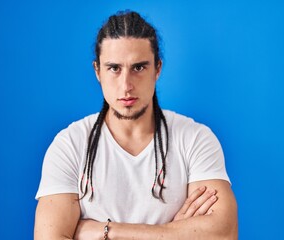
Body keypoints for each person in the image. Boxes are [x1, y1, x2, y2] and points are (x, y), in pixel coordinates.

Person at [34, 10, 237, 240]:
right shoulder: (69, 145)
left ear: (157, 69)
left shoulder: (195, 139)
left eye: (138, 67)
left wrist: (106, 231)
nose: (126, 85)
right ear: (97, 71)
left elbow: (223, 234)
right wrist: (175, 233)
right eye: (114, 68)